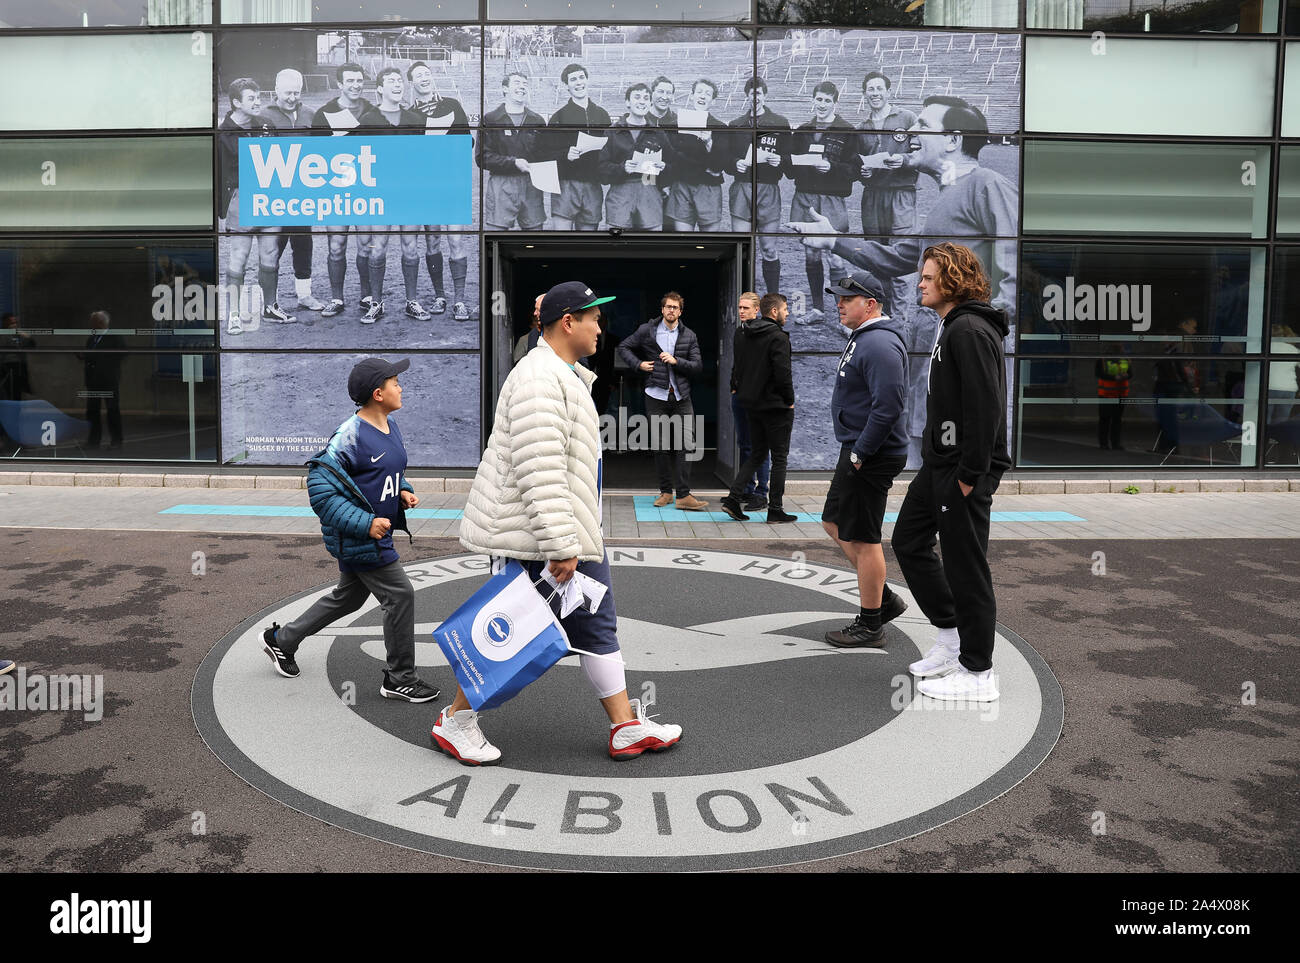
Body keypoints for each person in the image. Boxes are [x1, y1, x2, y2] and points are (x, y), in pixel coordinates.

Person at [443, 281, 683, 765]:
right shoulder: (538, 379)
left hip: (567, 533)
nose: (601, 327)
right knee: (513, 630)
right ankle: (454, 723)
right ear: (568, 322)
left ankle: (623, 727)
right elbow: (539, 467)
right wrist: (560, 543)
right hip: (542, 538)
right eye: (593, 318)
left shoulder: (563, 373)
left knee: (596, 627)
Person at [797, 95, 1018, 466]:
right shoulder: (946, 198)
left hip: (965, 340)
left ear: (953, 140)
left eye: (924, 126)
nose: (911, 131)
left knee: (953, 450)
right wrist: (834, 240)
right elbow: (900, 257)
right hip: (933, 337)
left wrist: (989, 324)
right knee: (921, 434)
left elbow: (1016, 258)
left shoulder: (987, 185)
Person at [261, 357, 440, 704]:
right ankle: (400, 678)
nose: (400, 387)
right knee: (400, 595)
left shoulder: (390, 425)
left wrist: (402, 489)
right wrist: (366, 523)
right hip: (361, 538)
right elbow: (320, 487)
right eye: (394, 382)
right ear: (377, 393)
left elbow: (386, 470)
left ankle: (282, 640)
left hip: (376, 534)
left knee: (349, 597)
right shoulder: (349, 436)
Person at [891, 243, 1011, 703]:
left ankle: (979, 673)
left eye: (926, 277)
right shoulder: (951, 326)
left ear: (952, 279)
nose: (919, 283)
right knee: (908, 540)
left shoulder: (969, 330)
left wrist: (970, 473)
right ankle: (951, 639)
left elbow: (986, 409)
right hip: (940, 464)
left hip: (962, 470)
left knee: (966, 567)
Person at [817, 272, 909, 647]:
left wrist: (861, 452)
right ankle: (883, 598)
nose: (838, 303)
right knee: (833, 523)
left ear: (869, 304)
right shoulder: (864, 339)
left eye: (846, 298)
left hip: (869, 454)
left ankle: (871, 624)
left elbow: (888, 407)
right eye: (838, 298)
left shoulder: (880, 346)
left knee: (866, 539)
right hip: (858, 449)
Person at [616, 292, 708, 511]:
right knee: (661, 446)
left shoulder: (689, 335)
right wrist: (639, 365)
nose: (671, 311)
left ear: (680, 311)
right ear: (662, 309)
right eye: (668, 307)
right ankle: (666, 492)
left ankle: (684, 495)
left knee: (687, 443)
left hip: (681, 397)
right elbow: (624, 347)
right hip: (656, 395)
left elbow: (697, 366)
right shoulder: (647, 330)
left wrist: (677, 361)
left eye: (675, 307)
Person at [311, 63, 386, 320]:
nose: (355, 85)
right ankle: (336, 298)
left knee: (365, 244)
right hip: (336, 190)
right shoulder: (324, 113)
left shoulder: (373, 111)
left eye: (359, 80)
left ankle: (366, 296)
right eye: (350, 81)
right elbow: (314, 156)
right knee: (336, 245)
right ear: (339, 84)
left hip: (365, 188)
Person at [218, 77, 291, 333]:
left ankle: (270, 307)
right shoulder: (222, 133)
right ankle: (234, 314)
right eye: (251, 98)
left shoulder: (266, 125)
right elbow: (218, 174)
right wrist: (221, 211)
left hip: (269, 197)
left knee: (270, 253)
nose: (257, 102)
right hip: (240, 198)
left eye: (258, 97)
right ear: (236, 102)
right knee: (239, 256)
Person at [786, 81, 861, 326]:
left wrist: (832, 167)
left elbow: (855, 169)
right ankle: (818, 309)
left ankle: (845, 317)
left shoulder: (847, 130)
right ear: (813, 100)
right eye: (819, 99)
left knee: (836, 258)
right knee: (811, 254)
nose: (822, 104)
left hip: (832, 199)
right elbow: (790, 167)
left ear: (835, 103)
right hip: (805, 197)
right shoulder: (803, 130)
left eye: (827, 101)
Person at [721, 292, 796, 524]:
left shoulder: (744, 333)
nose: (787, 313)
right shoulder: (778, 337)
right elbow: (782, 374)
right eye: (785, 309)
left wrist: (737, 388)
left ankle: (734, 499)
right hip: (776, 406)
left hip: (751, 404)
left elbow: (740, 367)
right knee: (780, 457)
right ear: (774, 311)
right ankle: (775, 509)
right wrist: (789, 399)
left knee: (756, 453)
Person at [407, 60, 473, 321]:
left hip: (452, 181)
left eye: (427, 73)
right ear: (412, 82)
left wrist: (445, 146)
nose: (424, 77)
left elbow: (467, 140)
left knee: (455, 239)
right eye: (418, 75)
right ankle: (439, 296)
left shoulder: (452, 105)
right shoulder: (408, 113)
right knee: (432, 240)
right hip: (426, 185)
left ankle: (459, 301)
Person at [367, 67, 432, 323]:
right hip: (379, 193)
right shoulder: (368, 118)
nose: (397, 84)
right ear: (380, 88)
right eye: (390, 81)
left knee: (411, 246)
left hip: (409, 192)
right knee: (378, 246)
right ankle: (376, 302)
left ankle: (411, 302)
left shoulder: (415, 118)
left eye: (399, 81)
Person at [262, 68, 325, 314]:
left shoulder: (311, 114)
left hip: (302, 194)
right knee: (273, 245)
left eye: (296, 92)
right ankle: (269, 299)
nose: (291, 97)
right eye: (287, 92)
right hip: (275, 195)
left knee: (303, 243)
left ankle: (304, 295)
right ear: (276, 90)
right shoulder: (263, 116)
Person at [725, 78, 789, 295]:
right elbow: (727, 159)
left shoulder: (779, 122)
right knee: (743, 248)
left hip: (769, 188)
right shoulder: (735, 125)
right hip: (742, 188)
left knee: (769, 249)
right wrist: (735, 164)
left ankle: (772, 298)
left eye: (759, 93)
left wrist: (779, 161)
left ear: (765, 95)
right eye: (751, 94)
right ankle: (743, 298)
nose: (755, 97)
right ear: (746, 96)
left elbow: (788, 158)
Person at [477, 72, 547, 232]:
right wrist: (512, 162)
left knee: (535, 238)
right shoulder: (491, 119)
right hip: (501, 183)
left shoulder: (537, 120)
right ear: (505, 88)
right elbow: (482, 157)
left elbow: (545, 154)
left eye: (525, 83)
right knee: (496, 238)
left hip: (531, 184)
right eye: (517, 83)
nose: (522, 86)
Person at [598, 82, 672, 232]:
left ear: (650, 102)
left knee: (652, 241)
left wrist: (664, 167)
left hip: (649, 187)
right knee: (617, 239)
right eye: (637, 97)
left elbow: (673, 164)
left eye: (646, 98)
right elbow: (601, 168)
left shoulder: (658, 133)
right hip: (620, 191)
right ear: (627, 102)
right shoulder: (612, 132)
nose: (642, 101)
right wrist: (621, 168)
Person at [547, 63, 611, 231]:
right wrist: (564, 154)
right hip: (566, 185)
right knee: (562, 243)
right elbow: (544, 153)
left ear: (587, 80)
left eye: (581, 77)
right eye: (573, 79)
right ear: (566, 85)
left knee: (587, 244)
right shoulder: (558, 117)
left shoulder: (602, 114)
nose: (578, 82)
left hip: (592, 185)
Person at [665, 79, 726, 232]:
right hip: (682, 185)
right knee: (684, 240)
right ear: (691, 95)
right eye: (699, 92)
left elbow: (720, 164)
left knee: (709, 242)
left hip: (709, 187)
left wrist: (709, 143)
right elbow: (671, 156)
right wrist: (703, 166)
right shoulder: (676, 123)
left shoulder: (719, 127)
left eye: (707, 94)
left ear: (713, 100)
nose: (702, 97)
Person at [730, 293, 770, 510]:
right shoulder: (739, 332)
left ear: (757, 310)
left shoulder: (766, 333)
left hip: (758, 399)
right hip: (740, 396)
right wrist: (733, 385)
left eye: (746, 308)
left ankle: (761, 492)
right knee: (745, 444)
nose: (742, 311)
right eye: (739, 307)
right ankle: (747, 488)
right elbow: (738, 363)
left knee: (760, 447)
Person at [78, 311, 125, 450]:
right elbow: (90, 356)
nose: (91, 324)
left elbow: (122, 354)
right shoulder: (92, 338)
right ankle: (93, 440)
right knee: (92, 411)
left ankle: (116, 440)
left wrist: (106, 364)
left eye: (93, 321)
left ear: (101, 322)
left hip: (108, 380)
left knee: (112, 410)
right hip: (93, 380)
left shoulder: (114, 337)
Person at [1095, 350, 1132, 451]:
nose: (1118, 345)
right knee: (1105, 419)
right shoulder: (1103, 358)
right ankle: (1104, 444)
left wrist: (1126, 376)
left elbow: (1130, 373)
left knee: (1117, 420)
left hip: (1120, 394)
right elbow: (1098, 373)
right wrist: (1114, 377)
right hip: (1106, 394)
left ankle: (1115, 444)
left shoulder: (1125, 358)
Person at [0, 313, 35, 401]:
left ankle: (15, 411)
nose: (14, 325)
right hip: (7, 367)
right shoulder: (3, 335)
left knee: (16, 393)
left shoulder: (19, 334)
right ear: (6, 324)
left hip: (19, 367)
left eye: (15, 323)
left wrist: (28, 337)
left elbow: (32, 345)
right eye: (11, 323)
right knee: (8, 392)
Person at [513, 293, 544, 364]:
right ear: (530, 325)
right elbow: (517, 361)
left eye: (538, 310)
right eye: (535, 320)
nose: (535, 313)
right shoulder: (526, 339)